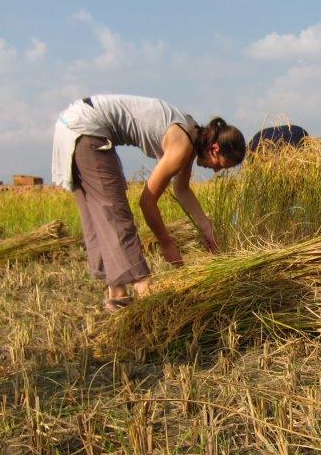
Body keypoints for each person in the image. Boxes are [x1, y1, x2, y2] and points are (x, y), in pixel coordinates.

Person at [51, 94, 246, 311]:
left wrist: (207, 229)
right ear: (215, 149)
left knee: (99, 215)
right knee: (115, 212)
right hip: (87, 129)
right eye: (220, 164)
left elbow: (181, 190)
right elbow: (147, 202)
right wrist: (167, 243)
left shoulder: (191, 133)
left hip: (73, 127)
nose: (216, 170)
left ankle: (117, 297)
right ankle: (145, 293)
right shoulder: (183, 144)